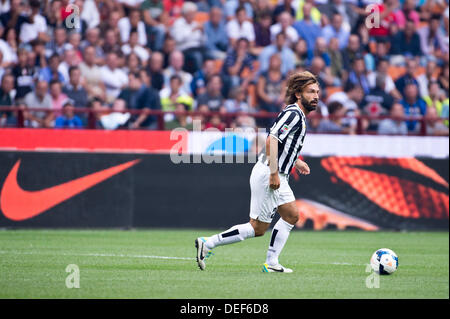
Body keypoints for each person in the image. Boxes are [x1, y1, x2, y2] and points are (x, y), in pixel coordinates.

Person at [195, 71, 319, 273]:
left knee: (291, 216)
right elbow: (271, 140)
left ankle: (271, 263)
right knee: (257, 228)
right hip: (270, 173)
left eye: (317, 92)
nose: (316, 96)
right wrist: (273, 174)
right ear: (298, 94)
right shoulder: (294, 115)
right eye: (311, 91)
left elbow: (281, 144)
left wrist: (296, 161)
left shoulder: (297, 115)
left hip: (277, 172)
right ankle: (208, 243)